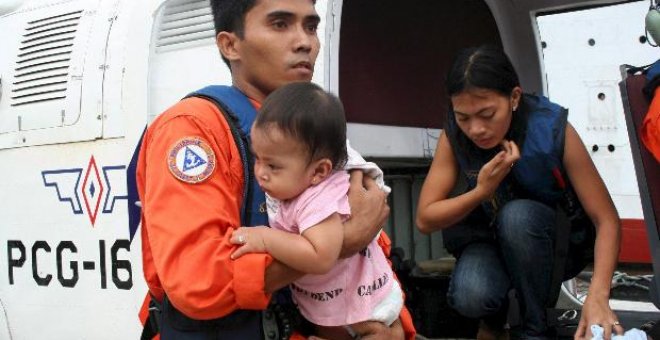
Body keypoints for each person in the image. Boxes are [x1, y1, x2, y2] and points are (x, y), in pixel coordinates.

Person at [136, 0, 413, 338]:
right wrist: (336, 245)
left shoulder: (309, 130)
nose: (305, 42)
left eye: (310, 26)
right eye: (280, 24)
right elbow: (198, 278)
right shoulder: (194, 129)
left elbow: (364, 262)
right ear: (230, 44)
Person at [415, 45, 621, 340]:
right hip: (489, 241)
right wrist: (481, 192)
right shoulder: (455, 135)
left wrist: (598, 295)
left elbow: (607, 220)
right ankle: (494, 322)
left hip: (549, 245)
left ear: (514, 98)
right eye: (463, 117)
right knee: (470, 295)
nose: (476, 129)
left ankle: (535, 329)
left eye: (487, 114)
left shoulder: (551, 128)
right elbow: (425, 218)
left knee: (517, 216)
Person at [229, 82, 404, 340]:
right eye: (257, 158)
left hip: (359, 305)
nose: (260, 172)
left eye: (273, 166)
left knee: (377, 334)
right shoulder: (299, 181)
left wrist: (265, 238)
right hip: (334, 297)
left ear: (319, 171)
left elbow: (320, 255)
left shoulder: (318, 198)